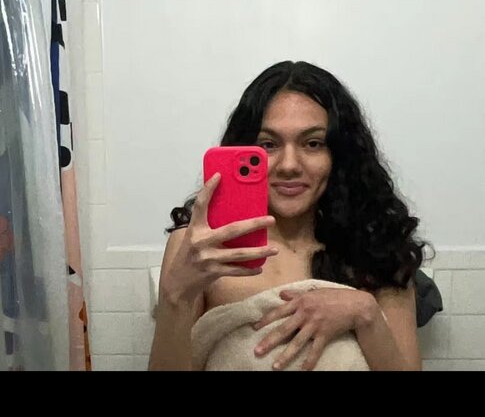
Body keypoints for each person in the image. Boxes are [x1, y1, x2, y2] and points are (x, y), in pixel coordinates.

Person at [149, 61, 434, 370]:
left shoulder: (380, 247)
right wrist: (174, 297)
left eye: (312, 143)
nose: (288, 165)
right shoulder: (201, 245)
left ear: (339, 155)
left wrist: (364, 312)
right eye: (268, 145)